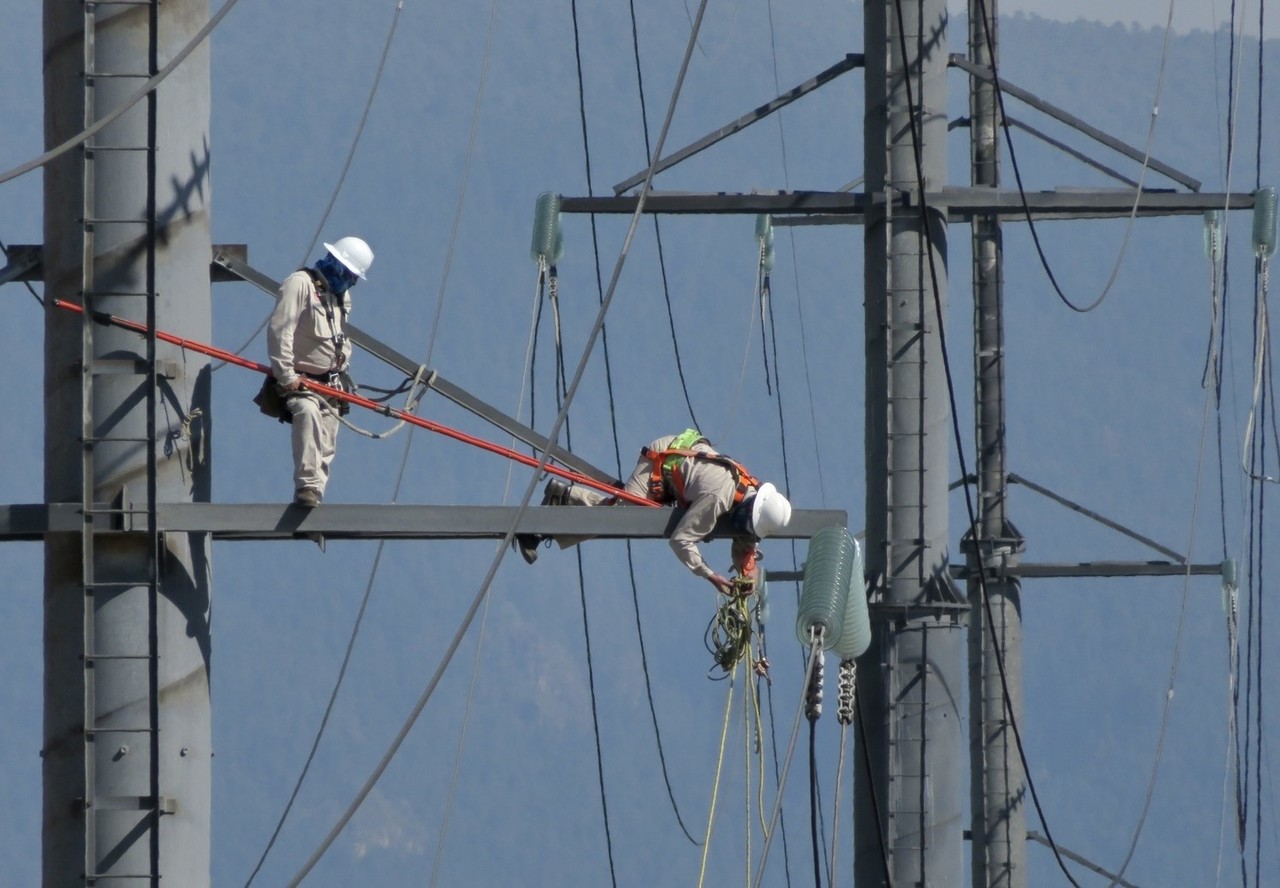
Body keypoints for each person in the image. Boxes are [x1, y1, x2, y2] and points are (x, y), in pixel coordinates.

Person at [516, 430, 792, 594]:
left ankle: (557, 506)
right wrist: (709, 574)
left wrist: (748, 572)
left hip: (682, 463)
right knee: (618, 519)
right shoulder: (717, 497)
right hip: (661, 464)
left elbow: (746, 538)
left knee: (617, 514)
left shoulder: (750, 491)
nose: (744, 527)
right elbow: (681, 540)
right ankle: (561, 499)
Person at [267, 236, 374, 507]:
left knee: (327, 440)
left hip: (331, 384)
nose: (350, 282)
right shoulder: (299, 284)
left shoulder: (341, 297)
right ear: (334, 263)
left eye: (353, 278)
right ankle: (306, 487)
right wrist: (287, 375)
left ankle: (316, 494)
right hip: (302, 381)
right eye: (348, 275)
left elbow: (338, 336)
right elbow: (281, 330)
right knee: (307, 413)